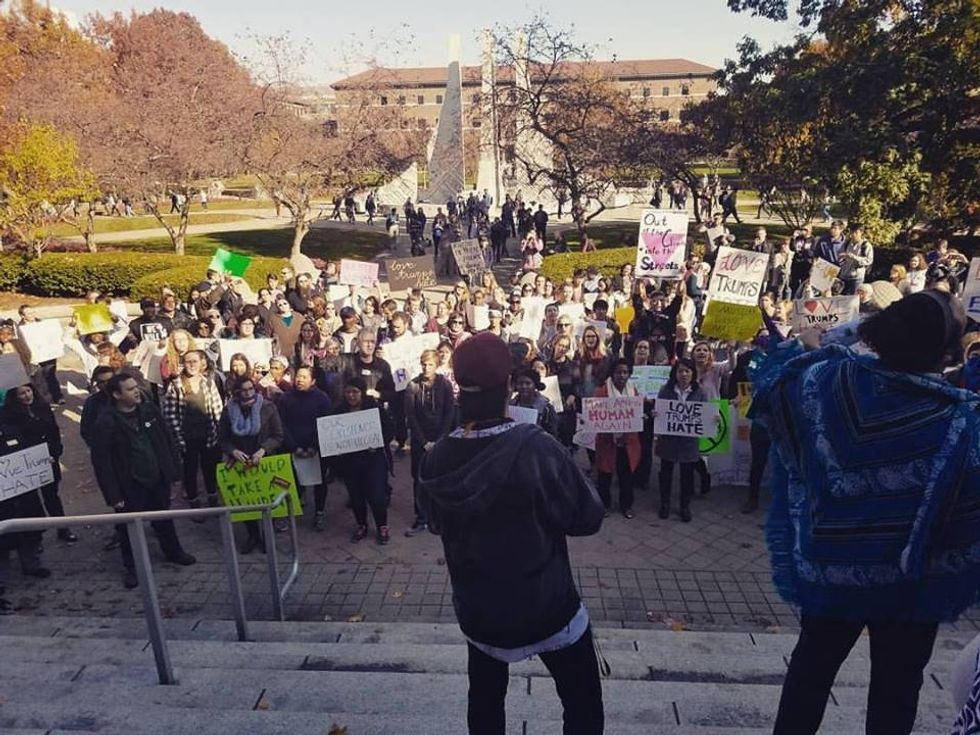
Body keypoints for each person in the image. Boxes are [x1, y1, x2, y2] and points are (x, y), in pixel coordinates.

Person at [751, 290, 980, 734]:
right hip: (910, 587)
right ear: (946, 348)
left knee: (810, 675)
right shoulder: (961, 423)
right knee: (896, 689)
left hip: (833, 568)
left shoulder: (832, 383)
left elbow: (773, 386)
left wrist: (842, 334)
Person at [418, 332, 605, 735]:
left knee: (484, 700)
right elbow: (587, 517)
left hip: (480, 610)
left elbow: (434, 520)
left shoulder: (437, 458)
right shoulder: (537, 447)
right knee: (583, 701)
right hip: (548, 607)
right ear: (506, 385)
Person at [91, 374, 196, 589]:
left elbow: (166, 442)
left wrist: (174, 474)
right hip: (128, 486)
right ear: (117, 394)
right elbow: (101, 462)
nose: (136, 390)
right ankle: (133, 567)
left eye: (135, 386)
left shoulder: (150, 411)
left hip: (157, 479)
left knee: (163, 518)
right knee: (129, 528)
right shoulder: (106, 422)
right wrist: (113, 496)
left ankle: (173, 552)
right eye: (129, 389)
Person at [218, 376, 285, 554]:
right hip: (241, 461)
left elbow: (278, 436)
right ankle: (253, 535)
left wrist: (263, 450)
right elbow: (222, 439)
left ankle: (267, 536)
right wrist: (233, 451)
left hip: (263, 459)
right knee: (246, 503)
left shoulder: (268, 407)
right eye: (243, 390)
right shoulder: (228, 411)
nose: (248, 394)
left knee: (266, 501)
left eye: (250, 389)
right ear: (237, 393)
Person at [2, 383, 76, 543]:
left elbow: (53, 430)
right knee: (30, 502)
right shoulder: (9, 415)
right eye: (21, 393)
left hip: (48, 458)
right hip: (25, 464)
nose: (27, 396)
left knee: (52, 497)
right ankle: (36, 538)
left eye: (28, 391)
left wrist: (55, 452)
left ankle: (63, 528)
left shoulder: (43, 407)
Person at [161, 350, 224, 515]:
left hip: (208, 434)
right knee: (189, 470)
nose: (191, 365)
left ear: (202, 363)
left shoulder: (208, 383)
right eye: (188, 362)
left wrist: (219, 432)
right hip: (186, 437)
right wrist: (178, 438)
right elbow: (169, 414)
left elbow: (218, 410)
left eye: (195, 361)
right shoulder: (175, 385)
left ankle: (212, 497)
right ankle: (194, 502)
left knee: (209, 468)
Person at [334, 376, 393, 544]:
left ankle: (382, 525)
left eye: (355, 392)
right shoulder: (338, 411)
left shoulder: (375, 408)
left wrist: (378, 442)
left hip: (373, 459)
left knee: (376, 495)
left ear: (362, 393)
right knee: (356, 496)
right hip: (350, 462)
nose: (351, 395)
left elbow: (389, 429)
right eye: (348, 392)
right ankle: (362, 525)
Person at [404, 349, 455, 537]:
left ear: (437, 365)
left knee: (440, 478)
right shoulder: (413, 386)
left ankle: (439, 516)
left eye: (431, 364)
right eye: (424, 364)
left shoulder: (445, 385)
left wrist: (441, 438)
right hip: (420, 440)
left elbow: (450, 413)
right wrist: (423, 441)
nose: (427, 368)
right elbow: (410, 415)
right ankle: (421, 517)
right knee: (419, 479)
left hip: (441, 439)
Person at [655, 358, 707, 522]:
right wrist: (655, 414)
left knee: (687, 475)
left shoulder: (701, 392)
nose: (684, 374)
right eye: (680, 371)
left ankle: (685, 506)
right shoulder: (665, 390)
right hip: (669, 440)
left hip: (689, 442)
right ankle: (664, 504)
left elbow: (704, 414)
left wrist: (712, 419)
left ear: (693, 373)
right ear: (675, 373)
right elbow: (659, 411)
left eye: (687, 371)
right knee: (666, 473)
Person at [593, 360, 641, 518]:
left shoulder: (634, 392)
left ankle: (626, 506)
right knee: (604, 476)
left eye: (625, 372)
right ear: (612, 374)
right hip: (607, 442)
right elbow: (594, 415)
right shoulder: (601, 392)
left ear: (629, 374)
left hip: (627, 443)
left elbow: (637, 413)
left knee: (626, 476)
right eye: (618, 372)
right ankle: (604, 505)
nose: (622, 375)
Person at [509, 368, 559, 438]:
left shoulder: (546, 408)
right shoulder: (511, 405)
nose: (524, 386)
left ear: (535, 385)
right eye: (520, 383)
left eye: (528, 383)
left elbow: (552, 434)